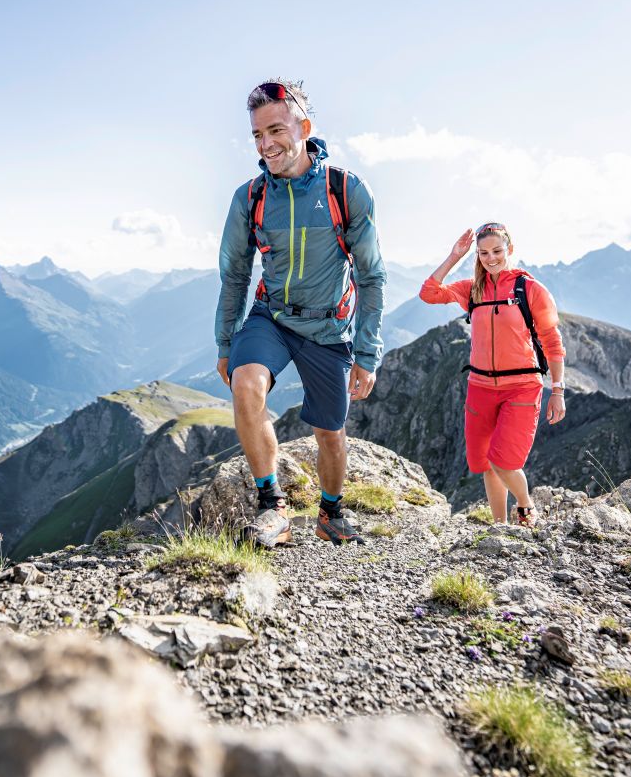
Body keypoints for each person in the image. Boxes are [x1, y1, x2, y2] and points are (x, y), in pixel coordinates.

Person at [215, 79, 387, 548]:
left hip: (329, 325)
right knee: (246, 384)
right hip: (271, 316)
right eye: (256, 135)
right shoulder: (249, 197)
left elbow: (371, 275)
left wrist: (367, 354)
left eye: (275, 130)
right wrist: (226, 341)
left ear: (304, 127)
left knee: (329, 433)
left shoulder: (346, 190)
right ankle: (272, 507)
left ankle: (330, 512)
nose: (265, 144)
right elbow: (234, 275)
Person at [419, 222, 566, 526]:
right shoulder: (472, 289)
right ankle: (499, 526)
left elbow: (552, 342)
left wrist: (558, 391)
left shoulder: (530, 290)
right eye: (483, 252)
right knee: (487, 464)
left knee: (503, 461)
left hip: (522, 387)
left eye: (497, 251)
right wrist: (454, 257)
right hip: (480, 387)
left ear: (509, 250)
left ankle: (525, 507)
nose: (491, 257)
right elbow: (429, 293)